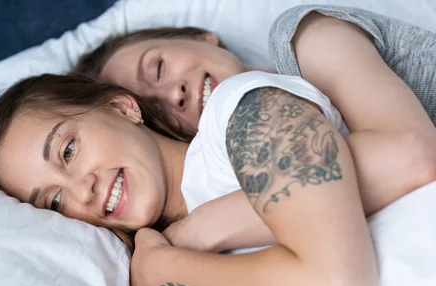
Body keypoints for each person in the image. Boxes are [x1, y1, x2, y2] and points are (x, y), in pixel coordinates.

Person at [0, 71, 379, 286]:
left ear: (121, 107)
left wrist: (171, 269)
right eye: (54, 201)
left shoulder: (239, 116)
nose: (82, 191)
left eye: (69, 150)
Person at [72, 5, 436, 221]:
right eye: (155, 111)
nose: (173, 94)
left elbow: (413, 155)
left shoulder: (301, 37)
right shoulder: (226, 175)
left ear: (200, 36)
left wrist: (209, 229)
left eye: (158, 67)